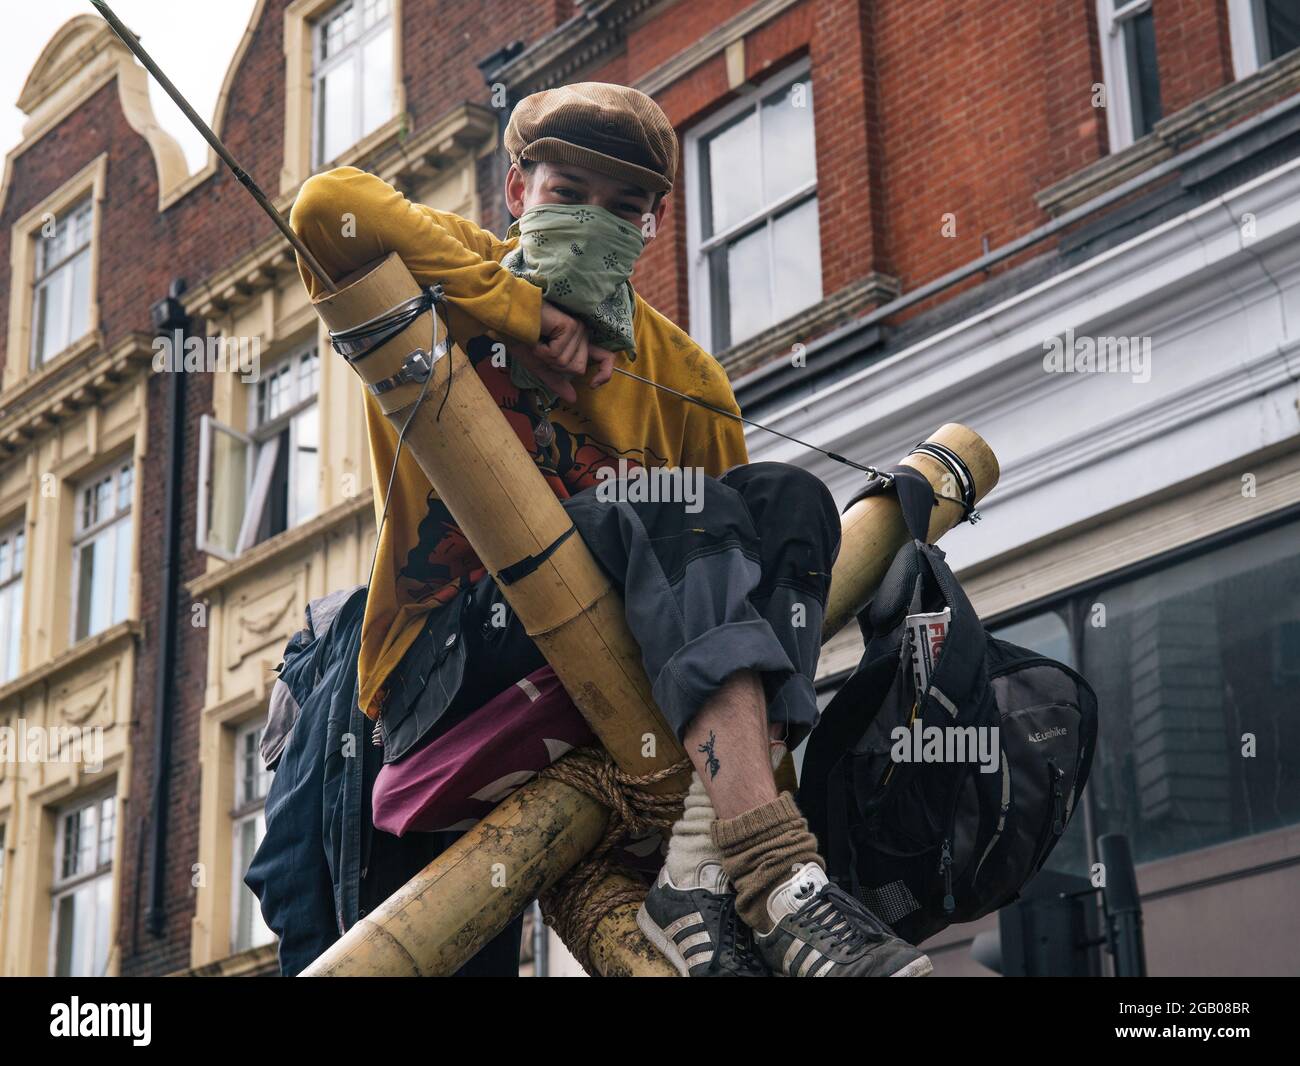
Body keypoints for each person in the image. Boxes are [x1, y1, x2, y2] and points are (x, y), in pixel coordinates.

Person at [287, 82, 930, 978]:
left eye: (623, 207)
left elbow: (731, 589)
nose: (595, 221)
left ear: (654, 224)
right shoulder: (457, 276)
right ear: (516, 192)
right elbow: (326, 207)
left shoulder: (687, 378)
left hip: (616, 701)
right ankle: (768, 862)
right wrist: (522, 312)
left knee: (788, 501)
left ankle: (740, 861)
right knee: (673, 504)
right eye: (566, 194)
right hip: (450, 679)